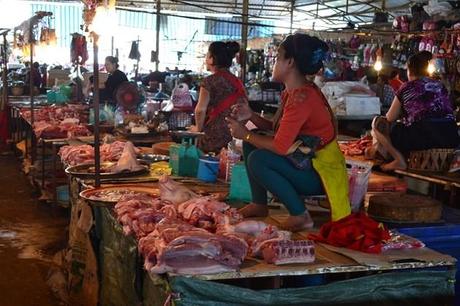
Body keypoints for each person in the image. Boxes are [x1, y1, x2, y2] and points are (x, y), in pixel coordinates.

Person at [226, 34, 351, 232]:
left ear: (290, 62)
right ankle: (259, 204)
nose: (274, 64)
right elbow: (276, 129)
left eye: (277, 59)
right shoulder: (292, 92)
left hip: (319, 173)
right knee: (253, 143)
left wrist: (245, 134)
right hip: (305, 161)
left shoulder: (302, 97)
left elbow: (281, 145)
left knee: (259, 158)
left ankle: (300, 215)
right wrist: (250, 116)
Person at [370, 51, 459, 171]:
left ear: (409, 70)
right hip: (450, 135)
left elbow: (389, 118)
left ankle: (399, 160)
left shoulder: (407, 87)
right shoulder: (439, 85)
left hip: (423, 138)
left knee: (379, 123)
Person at [189, 41, 246, 153]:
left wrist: (197, 129)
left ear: (211, 58)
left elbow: (200, 110)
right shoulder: (237, 82)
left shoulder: (209, 81)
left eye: (207, 55)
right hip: (235, 136)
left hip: (213, 137)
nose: (205, 60)